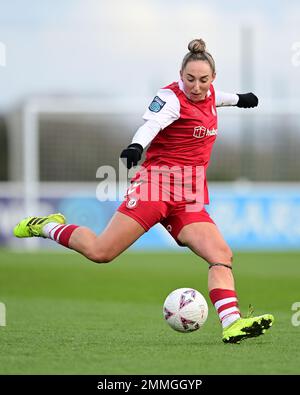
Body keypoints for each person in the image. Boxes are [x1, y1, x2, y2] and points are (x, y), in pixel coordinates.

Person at [13, 38, 274, 343]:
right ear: (181, 74)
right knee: (101, 252)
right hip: (156, 188)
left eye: (203, 80)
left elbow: (219, 98)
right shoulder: (171, 98)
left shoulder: (211, 93)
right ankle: (48, 226)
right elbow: (152, 124)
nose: (196, 86)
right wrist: (137, 145)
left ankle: (232, 323)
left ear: (212, 79)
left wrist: (240, 99)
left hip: (188, 197)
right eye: (190, 79)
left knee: (221, 255)